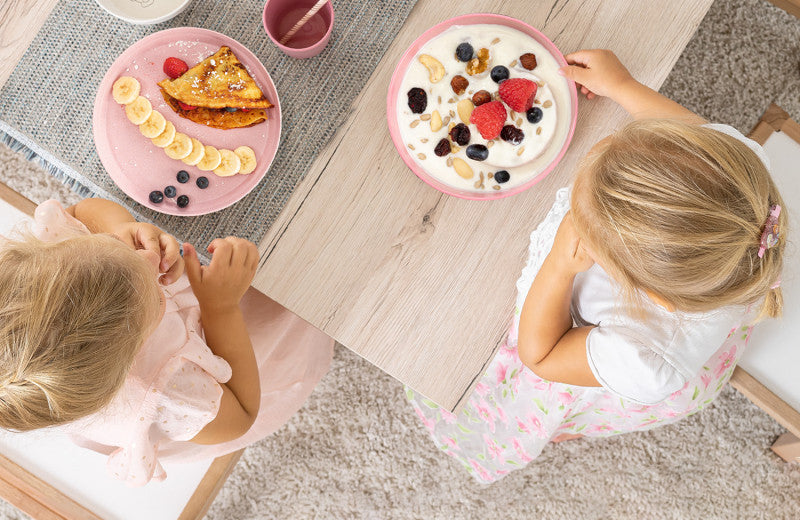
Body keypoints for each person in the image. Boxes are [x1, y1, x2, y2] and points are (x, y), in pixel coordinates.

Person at [407, 49, 786, 483]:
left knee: (545, 398)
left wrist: (558, 269)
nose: (603, 146)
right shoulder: (737, 177)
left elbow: (543, 356)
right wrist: (623, 87)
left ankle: (570, 421)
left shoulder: (641, 358)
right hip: (703, 298)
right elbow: (691, 138)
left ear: (634, 283)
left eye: (588, 215)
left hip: (594, 359)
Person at [0, 197, 333, 485]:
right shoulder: (168, 394)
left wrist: (121, 229)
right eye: (148, 288)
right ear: (138, 343)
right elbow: (242, 413)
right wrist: (220, 307)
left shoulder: (44, 269)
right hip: (226, 358)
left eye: (110, 247)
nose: (147, 258)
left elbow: (80, 212)